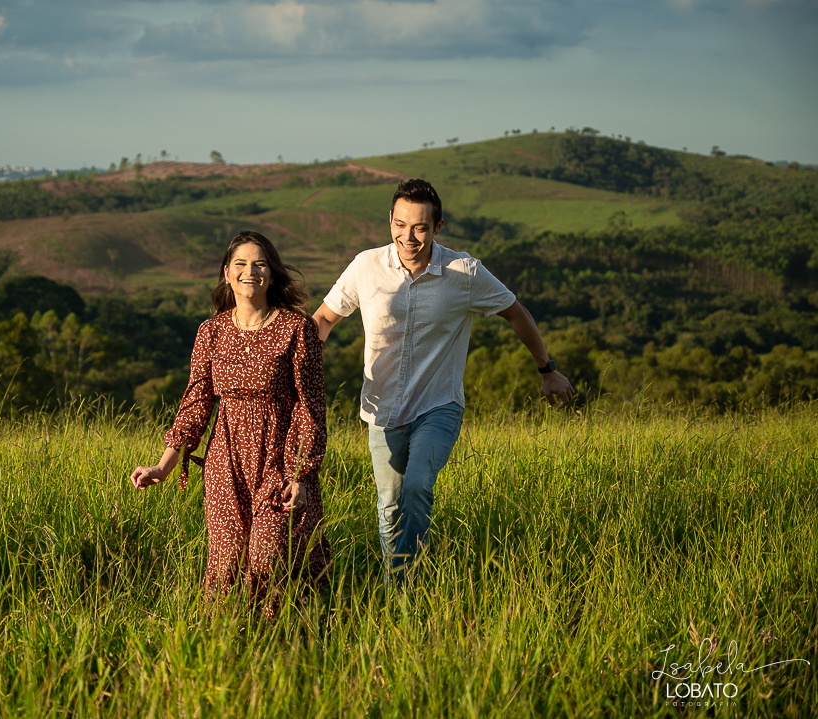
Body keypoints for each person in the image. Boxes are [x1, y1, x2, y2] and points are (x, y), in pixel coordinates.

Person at [313, 179, 574, 584]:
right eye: (400, 224)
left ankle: (403, 591)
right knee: (389, 505)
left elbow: (516, 312)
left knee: (416, 487)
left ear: (437, 227)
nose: (408, 236)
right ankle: (398, 586)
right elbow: (325, 319)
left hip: (438, 406)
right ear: (390, 221)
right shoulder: (366, 266)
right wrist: (291, 367)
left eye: (420, 227)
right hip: (382, 407)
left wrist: (547, 369)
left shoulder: (463, 272)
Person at [130, 231, 330, 616]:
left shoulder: (296, 328)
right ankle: (222, 644)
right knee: (226, 563)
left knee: (269, 558)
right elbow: (196, 404)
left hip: (279, 458)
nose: (249, 272)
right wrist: (163, 465)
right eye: (240, 263)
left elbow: (311, 408)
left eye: (259, 264)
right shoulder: (212, 331)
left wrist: (301, 473)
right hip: (225, 462)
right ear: (226, 273)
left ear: (271, 274)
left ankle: (282, 643)